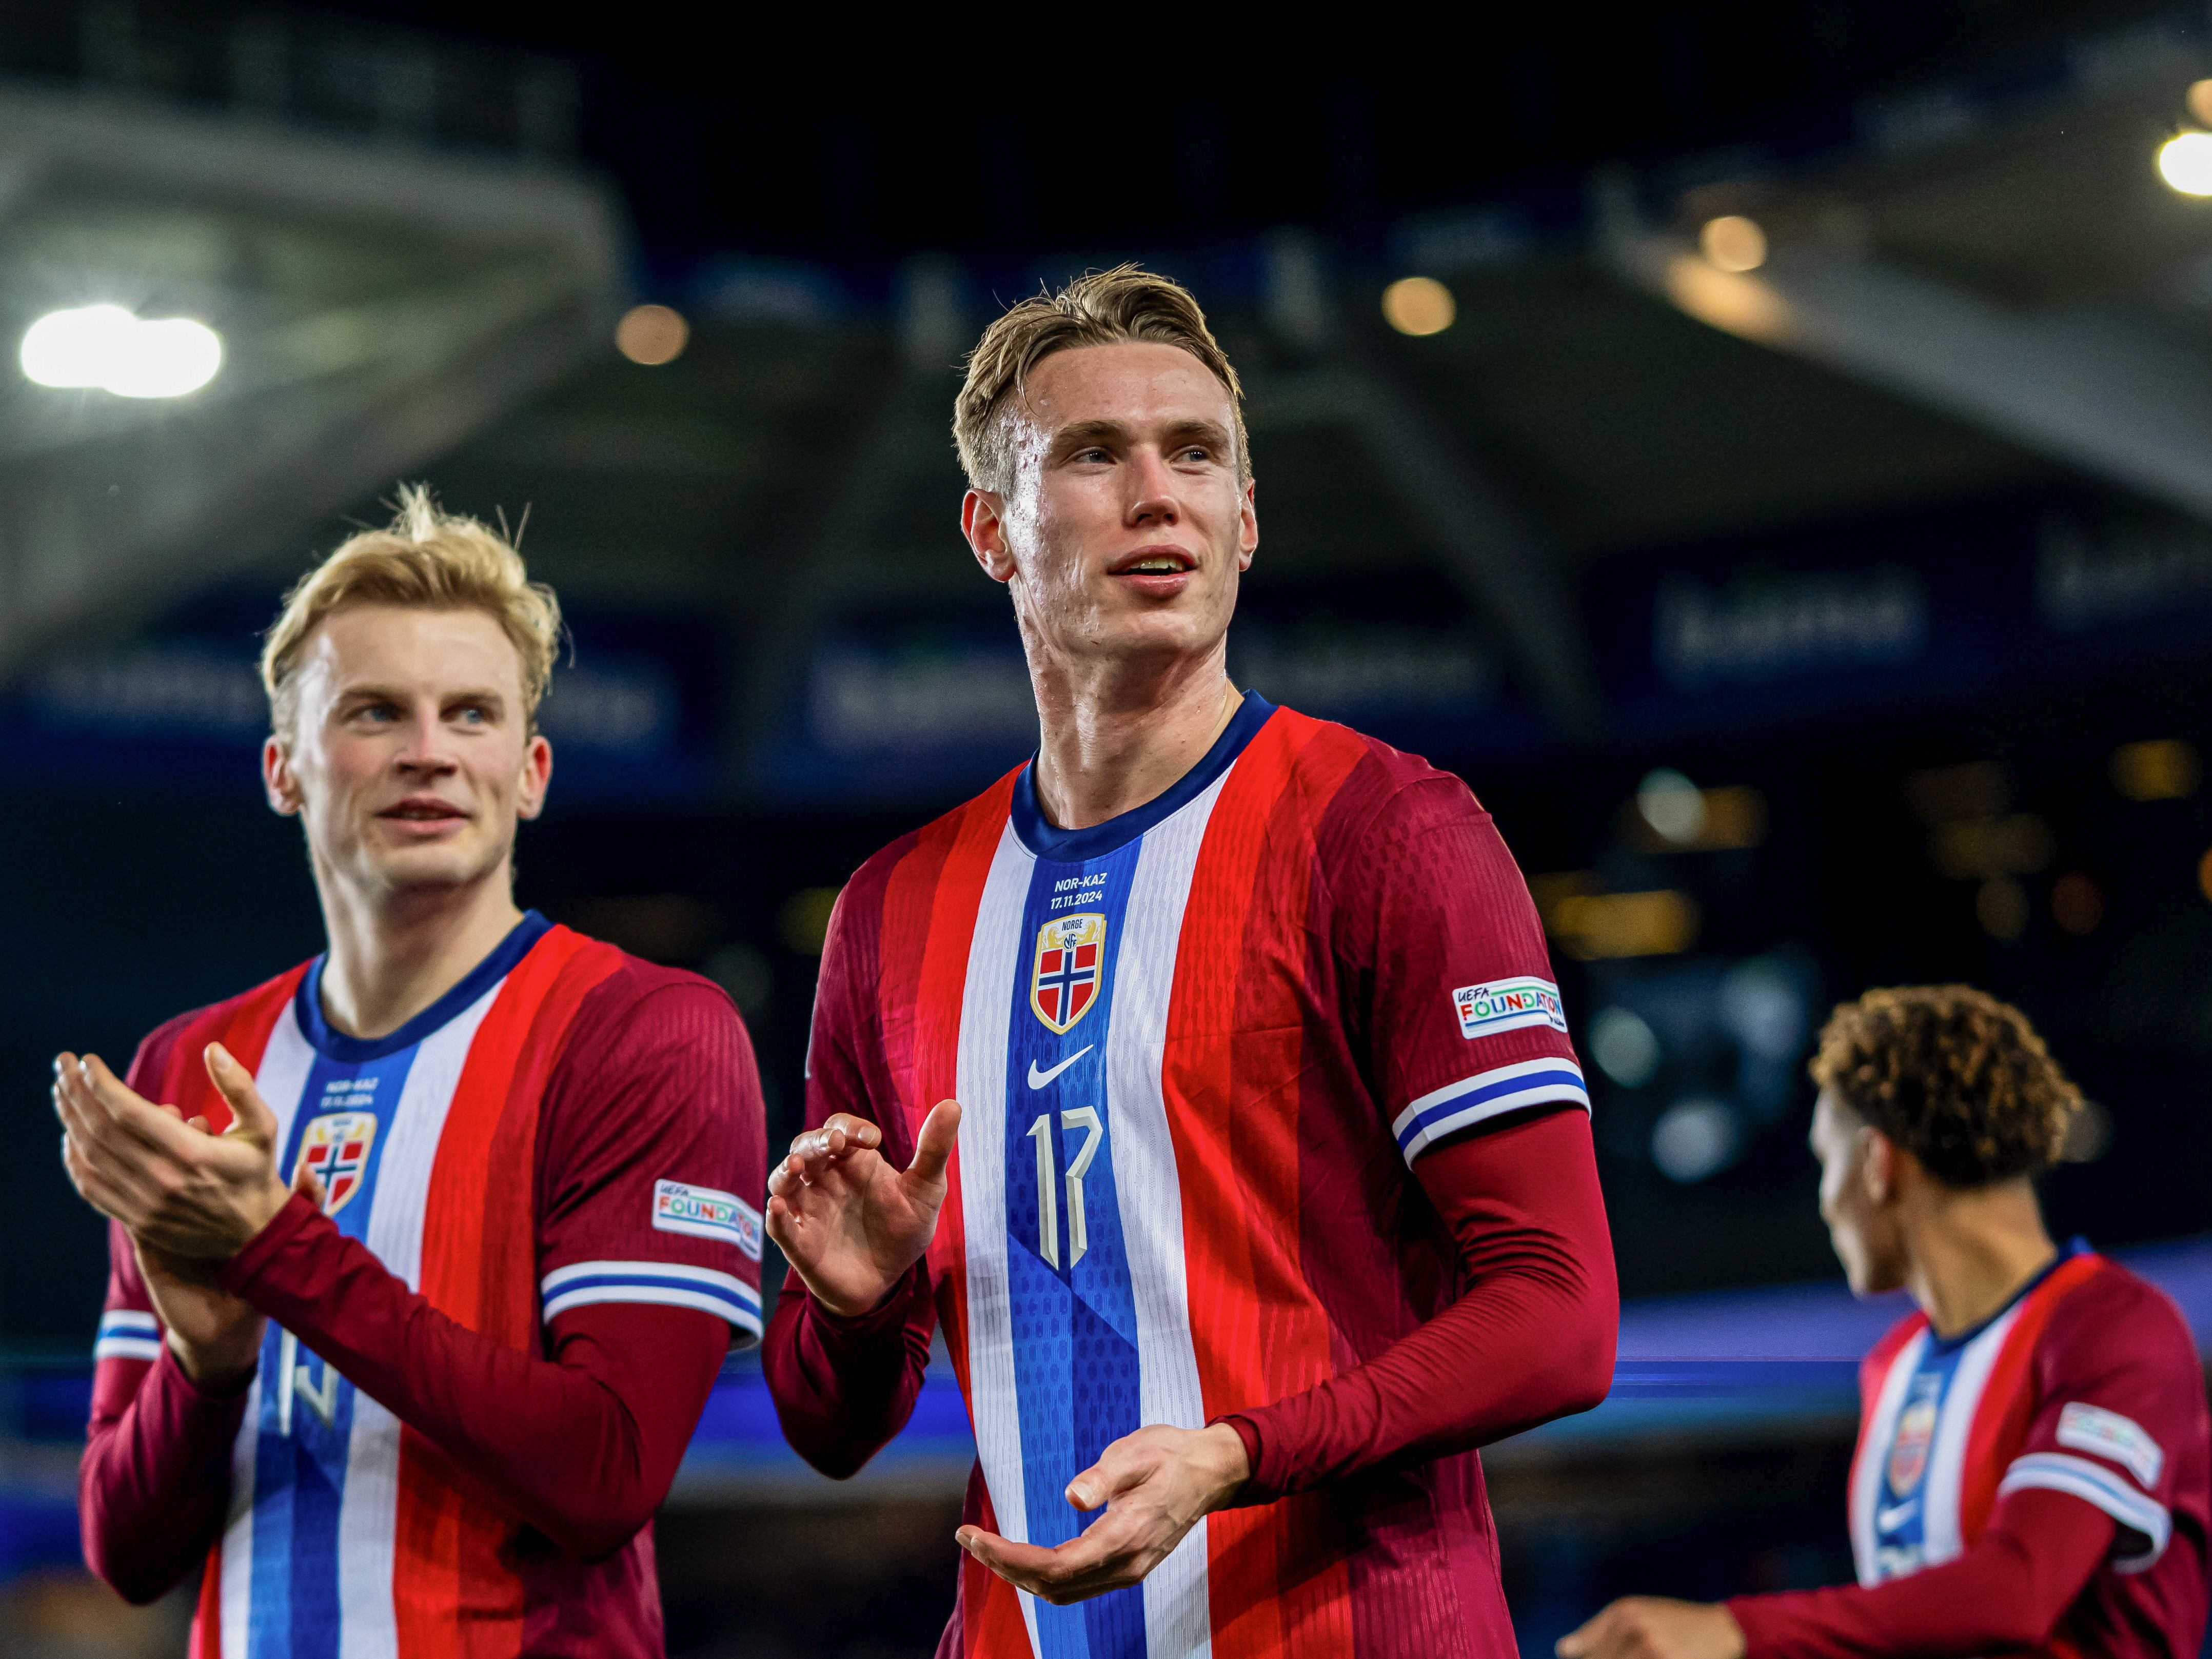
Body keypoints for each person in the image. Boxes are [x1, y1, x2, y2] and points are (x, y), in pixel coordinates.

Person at [759, 265, 1618, 1657]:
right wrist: (854, 1312)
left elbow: (1562, 1314)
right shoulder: (890, 911)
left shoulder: (1390, 832)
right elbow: (828, 1429)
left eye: (1197, 453)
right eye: (1094, 455)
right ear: (991, 531)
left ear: (1247, 518)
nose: (1158, 493)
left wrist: (1234, 1451)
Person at [55, 489, 766, 1657]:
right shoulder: (187, 1065)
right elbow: (125, 1554)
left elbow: (606, 1474)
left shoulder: (643, 1030)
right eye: (376, 713)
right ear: (284, 769)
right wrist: (209, 1357)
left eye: (470, 714)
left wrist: (280, 1253)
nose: (427, 751)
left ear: (530, 769)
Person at [1561, 984, 2209, 1658]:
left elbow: (2020, 1589)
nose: (1822, 1198)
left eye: (1824, 1161)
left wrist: (1734, 1630)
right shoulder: (1892, 1365)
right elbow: (1899, 1625)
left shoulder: (2114, 1327)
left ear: (1877, 1161)